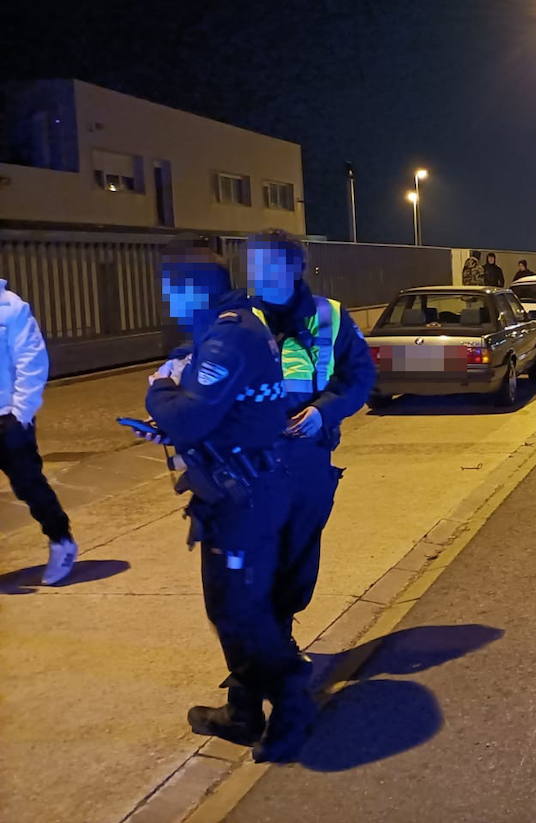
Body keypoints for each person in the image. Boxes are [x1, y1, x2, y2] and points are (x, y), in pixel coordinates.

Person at [146, 246, 312, 762]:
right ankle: (243, 712)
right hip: (242, 488)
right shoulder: (233, 326)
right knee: (237, 605)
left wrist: (159, 391)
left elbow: (190, 414)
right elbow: (222, 410)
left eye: (173, 288)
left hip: (246, 497)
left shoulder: (228, 335)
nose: (167, 299)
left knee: (238, 609)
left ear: (195, 288)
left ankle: (291, 703)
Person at [245, 230, 375, 671]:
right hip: (250, 463)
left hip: (306, 458)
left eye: (269, 265)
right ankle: (255, 667)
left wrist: (325, 411)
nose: (258, 275)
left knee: (297, 558)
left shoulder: (331, 316)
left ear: (295, 268)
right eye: (253, 265)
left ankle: (279, 641)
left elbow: (358, 379)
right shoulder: (236, 317)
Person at [0, 279, 76, 584]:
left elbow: (32, 360)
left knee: (29, 485)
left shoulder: (11, 308)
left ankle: (61, 540)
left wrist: (21, 413)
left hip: (7, 418)